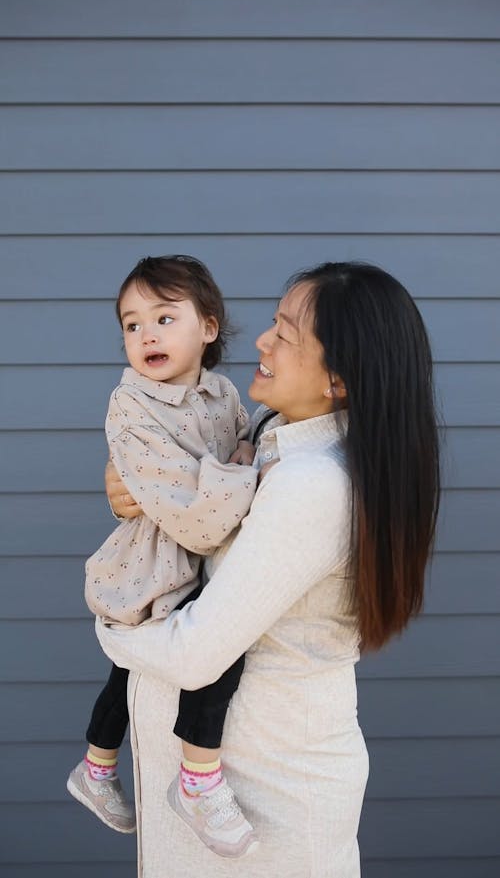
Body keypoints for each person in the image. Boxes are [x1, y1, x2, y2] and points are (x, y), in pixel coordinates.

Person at [97, 261, 441, 877]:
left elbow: (195, 653)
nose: (261, 339)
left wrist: (109, 629)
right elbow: (191, 496)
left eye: (284, 333)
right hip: (227, 792)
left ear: (337, 378)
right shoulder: (274, 437)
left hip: (266, 804)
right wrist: (132, 490)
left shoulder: (313, 484)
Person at [67, 255, 260, 853]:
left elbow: (243, 445)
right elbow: (199, 514)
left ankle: (96, 767)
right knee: (209, 649)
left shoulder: (224, 393)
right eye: (131, 324)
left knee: (134, 668)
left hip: (194, 552)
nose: (146, 334)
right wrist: (243, 475)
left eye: (164, 318)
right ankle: (197, 779)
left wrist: (240, 463)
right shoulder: (130, 407)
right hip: (152, 562)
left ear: (208, 328)